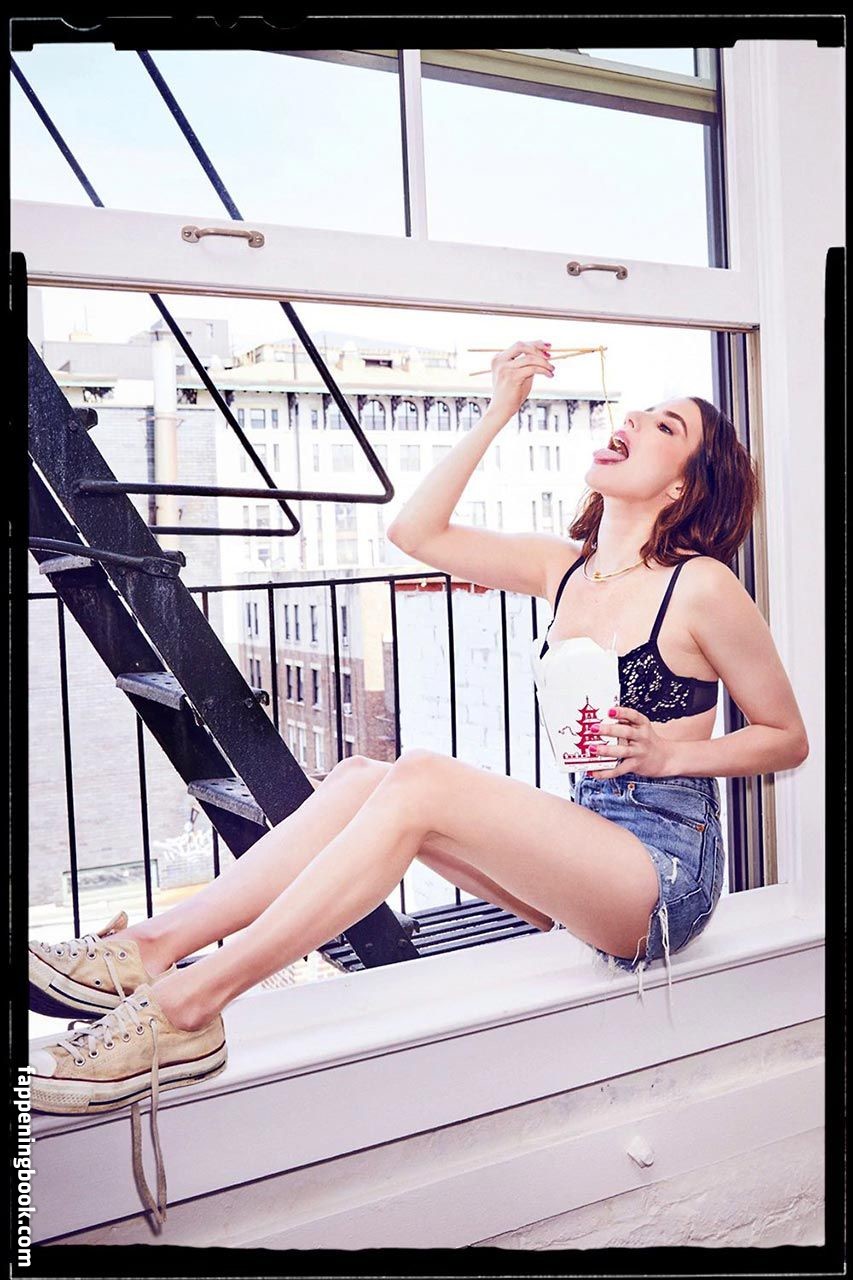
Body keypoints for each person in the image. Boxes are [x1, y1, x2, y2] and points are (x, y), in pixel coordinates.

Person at [27, 339, 809, 1229]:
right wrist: (498, 408)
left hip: (662, 879)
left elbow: (785, 738)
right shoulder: (565, 569)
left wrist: (668, 756)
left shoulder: (701, 588)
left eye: (664, 425)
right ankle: (150, 950)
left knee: (423, 778)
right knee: (363, 775)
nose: (632, 419)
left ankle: (189, 1006)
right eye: (638, 411)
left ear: (681, 487)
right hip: (586, 857)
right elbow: (416, 535)